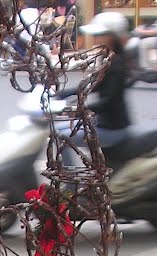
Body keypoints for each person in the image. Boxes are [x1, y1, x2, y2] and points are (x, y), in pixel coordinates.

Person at [57, 12, 131, 164]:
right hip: (103, 121)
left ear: (112, 37)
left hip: (113, 127)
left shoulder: (117, 64)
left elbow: (108, 101)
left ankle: (69, 184)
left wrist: (78, 110)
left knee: (61, 136)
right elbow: (92, 84)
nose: (96, 39)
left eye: (100, 35)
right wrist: (61, 94)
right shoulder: (108, 59)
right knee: (58, 128)